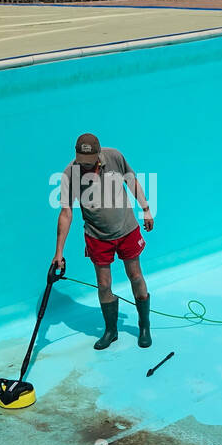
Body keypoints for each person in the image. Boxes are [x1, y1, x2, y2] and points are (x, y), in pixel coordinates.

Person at [52, 133, 154, 350]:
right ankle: (111, 330)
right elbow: (66, 212)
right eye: (82, 163)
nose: (87, 168)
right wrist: (58, 253)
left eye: (90, 164)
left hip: (127, 229)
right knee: (104, 284)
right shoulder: (70, 173)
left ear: (99, 155)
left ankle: (144, 326)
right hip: (97, 236)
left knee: (135, 276)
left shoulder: (115, 157)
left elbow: (132, 181)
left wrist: (145, 208)